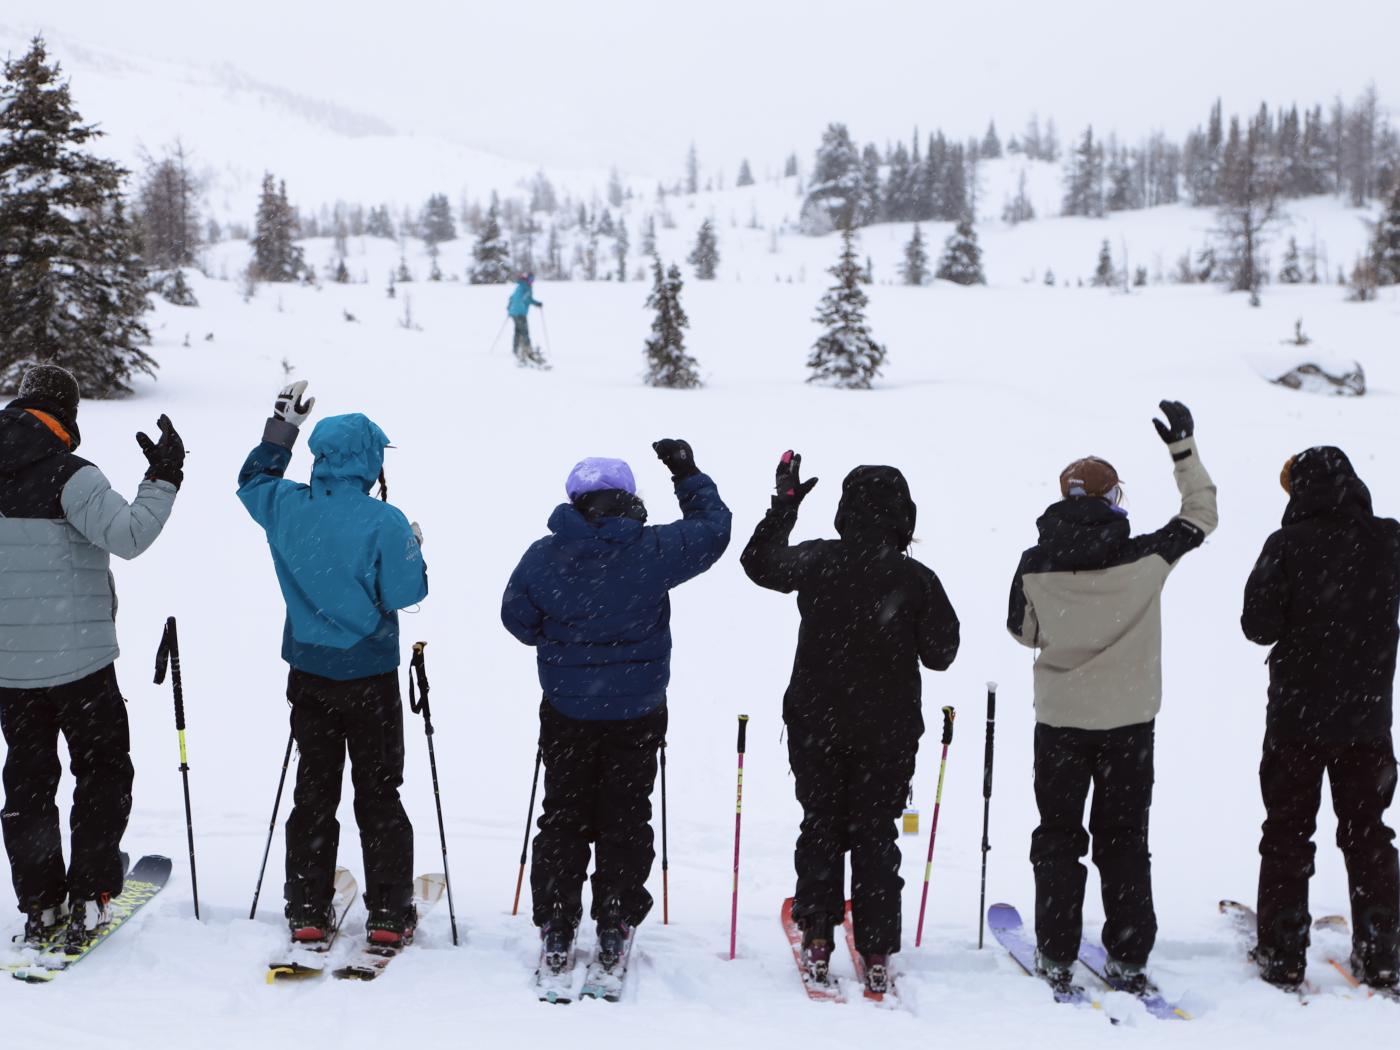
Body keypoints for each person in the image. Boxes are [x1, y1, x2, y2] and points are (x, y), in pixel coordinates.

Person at [1006, 400, 1217, 994]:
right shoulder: (1148, 555)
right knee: (1124, 839)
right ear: (1113, 499)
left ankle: (1055, 951)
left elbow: (1023, 633)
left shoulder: (1033, 562)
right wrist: (1183, 451)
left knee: (1058, 836)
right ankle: (1127, 955)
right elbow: (1202, 512)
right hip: (1128, 721)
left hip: (1060, 722)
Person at [501, 440, 730, 975]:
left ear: (577, 501)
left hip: (567, 708)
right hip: (637, 707)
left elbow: (517, 620)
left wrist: (559, 638)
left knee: (563, 814)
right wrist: (686, 472)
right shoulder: (653, 549)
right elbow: (715, 530)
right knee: (625, 814)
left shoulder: (544, 554)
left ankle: (558, 918)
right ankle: (615, 917)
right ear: (628, 498)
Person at [741, 452, 959, 993]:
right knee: (876, 834)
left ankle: (818, 936)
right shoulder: (915, 577)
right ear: (904, 515)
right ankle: (877, 948)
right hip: (887, 729)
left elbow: (757, 563)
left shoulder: (819, 560)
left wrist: (785, 506)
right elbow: (941, 653)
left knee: (821, 825)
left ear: (845, 512)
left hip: (816, 721)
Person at [237, 381, 428, 948]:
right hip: (368, 676)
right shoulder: (384, 520)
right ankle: (390, 913)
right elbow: (403, 593)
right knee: (379, 792)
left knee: (314, 790)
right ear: (368, 460)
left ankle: (306, 909)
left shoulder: (287, 505)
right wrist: (414, 547)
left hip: (311, 674)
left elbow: (252, 482)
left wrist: (281, 431)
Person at [0, 364, 184, 948]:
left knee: (28, 785)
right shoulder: (72, 476)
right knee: (101, 774)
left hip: (10, 668)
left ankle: (41, 905)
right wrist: (163, 476)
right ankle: (92, 894)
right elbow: (129, 537)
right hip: (81, 665)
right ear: (67, 416)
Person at [1242, 446, 1400, 990]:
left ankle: (1283, 953)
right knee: (1368, 835)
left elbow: (1256, 626)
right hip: (1367, 722)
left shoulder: (1285, 546)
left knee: (1287, 833)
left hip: (1296, 720)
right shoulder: (1389, 540)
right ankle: (1382, 951)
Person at [507, 272, 546, 368]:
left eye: (532, 280)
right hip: (520, 313)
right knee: (524, 331)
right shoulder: (526, 288)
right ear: (527, 280)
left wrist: (509, 307)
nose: (531, 282)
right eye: (530, 280)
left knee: (518, 331)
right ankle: (528, 350)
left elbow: (512, 297)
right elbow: (527, 299)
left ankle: (516, 349)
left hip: (513, 312)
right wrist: (537, 303)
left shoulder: (520, 286)